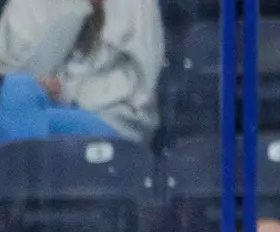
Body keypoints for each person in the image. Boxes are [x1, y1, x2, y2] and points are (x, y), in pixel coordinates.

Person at [0, 0, 162, 144]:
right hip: (42, 105)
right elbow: (14, 78)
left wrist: (68, 92)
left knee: (19, 122)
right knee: (18, 92)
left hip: (111, 117)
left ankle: (22, 175)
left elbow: (142, 87)